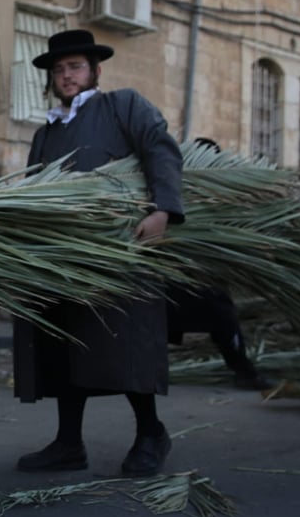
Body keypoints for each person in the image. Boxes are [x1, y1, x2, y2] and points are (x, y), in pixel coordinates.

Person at [12, 29, 184, 476]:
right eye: (59, 70)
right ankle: (69, 443)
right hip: (64, 259)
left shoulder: (123, 106)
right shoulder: (46, 132)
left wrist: (164, 210)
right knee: (66, 344)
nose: (65, 76)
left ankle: (151, 433)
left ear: (95, 71)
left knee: (123, 345)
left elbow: (160, 149)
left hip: (122, 250)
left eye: (74, 67)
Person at [165, 138, 273, 391]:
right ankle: (243, 371)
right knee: (167, 318)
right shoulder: (174, 185)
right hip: (174, 270)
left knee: (222, 317)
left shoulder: (218, 192)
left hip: (202, 273)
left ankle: (244, 371)